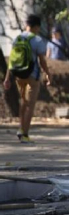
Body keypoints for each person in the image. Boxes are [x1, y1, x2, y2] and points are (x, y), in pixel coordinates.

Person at [3, 14, 52, 143]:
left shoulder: (17, 38)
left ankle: (21, 128)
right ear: (36, 27)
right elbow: (42, 61)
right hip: (32, 75)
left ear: (26, 25)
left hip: (19, 75)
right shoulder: (37, 40)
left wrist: (7, 78)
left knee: (23, 102)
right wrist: (47, 74)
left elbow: (12, 61)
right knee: (30, 105)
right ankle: (25, 134)